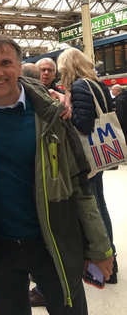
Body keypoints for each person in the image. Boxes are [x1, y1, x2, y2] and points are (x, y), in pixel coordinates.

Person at [0, 35, 113, 315]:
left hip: (53, 241)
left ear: (20, 64)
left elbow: (81, 186)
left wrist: (100, 247)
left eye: (5, 63)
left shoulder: (51, 117)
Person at [57, 47, 118, 284]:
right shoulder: (98, 83)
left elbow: (83, 124)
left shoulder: (81, 86)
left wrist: (66, 110)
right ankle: (110, 262)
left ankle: (105, 264)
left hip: (88, 157)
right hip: (101, 154)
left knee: (92, 211)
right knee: (100, 205)